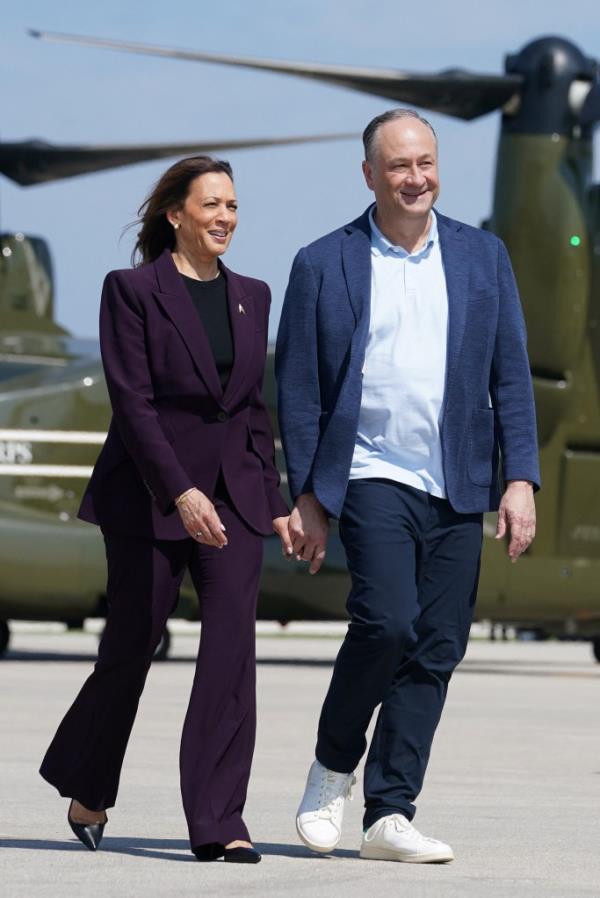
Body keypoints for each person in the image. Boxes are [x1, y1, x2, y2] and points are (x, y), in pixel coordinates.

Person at [275, 109, 539, 863]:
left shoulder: (482, 256)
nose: (415, 177)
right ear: (369, 175)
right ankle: (332, 770)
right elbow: (297, 389)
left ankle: (390, 813)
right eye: (398, 166)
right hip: (367, 471)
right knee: (387, 620)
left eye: (425, 161)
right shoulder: (324, 262)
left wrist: (518, 479)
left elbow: (511, 378)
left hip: (457, 478)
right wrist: (308, 496)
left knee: (438, 644)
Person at [40, 155, 290, 864]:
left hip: (235, 501)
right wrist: (180, 492)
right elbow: (133, 400)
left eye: (233, 206)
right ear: (175, 213)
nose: (225, 218)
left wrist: (270, 503)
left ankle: (219, 821)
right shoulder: (132, 290)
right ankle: (89, 783)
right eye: (211, 204)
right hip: (151, 497)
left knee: (231, 654)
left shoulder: (254, 295)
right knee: (131, 646)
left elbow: (250, 410)